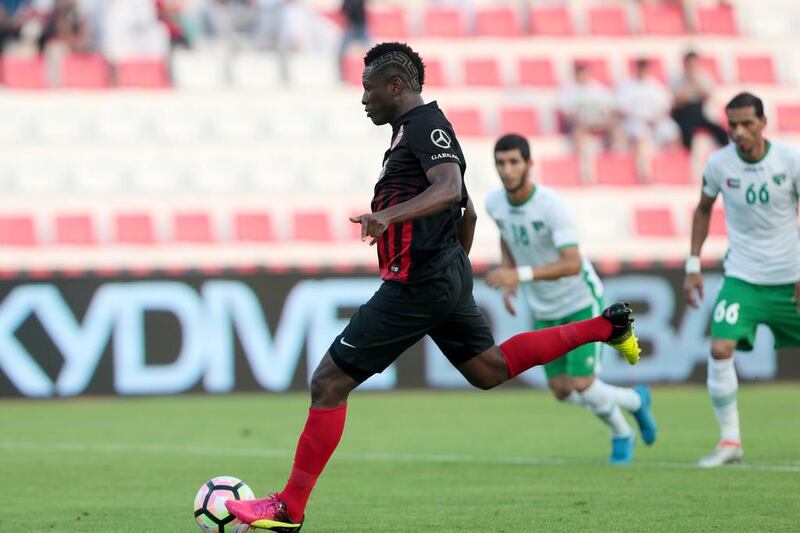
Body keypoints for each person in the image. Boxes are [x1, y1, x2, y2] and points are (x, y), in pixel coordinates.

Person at [225, 41, 642, 531]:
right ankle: (605, 326)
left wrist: (389, 217)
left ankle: (289, 508)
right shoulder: (412, 132)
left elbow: (448, 190)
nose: (363, 99)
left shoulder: (426, 126)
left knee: (328, 382)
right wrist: (454, 271)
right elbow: (466, 209)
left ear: (395, 87)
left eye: (369, 88)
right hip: (441, 277)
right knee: (489, 370)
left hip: (419, 283)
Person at [484, 133, 656, 464]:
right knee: (563, 390)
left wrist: (517, 275)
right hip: (543, 306)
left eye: (513, 162)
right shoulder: (495, 203)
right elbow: (507, 236)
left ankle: (623, 429)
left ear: (529, 164)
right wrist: (510, 276)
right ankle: (635, 401)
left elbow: (572, 262)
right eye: (500, 163)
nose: (507, 170)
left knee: (584, 383)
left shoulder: (551, 205)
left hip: (579, 299)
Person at [684, 92, 800, 468]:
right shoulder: (719, 163)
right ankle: (730, 442)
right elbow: (702, 211)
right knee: (720, 349)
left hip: (791, 277)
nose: (738, 131)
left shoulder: (790, 160)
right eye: (732, 124)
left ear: (763, 123)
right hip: (744, 277)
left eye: (747, 123)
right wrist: (693, 265)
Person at [615, 58, 680, 181]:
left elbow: (665, 106)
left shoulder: (656, 86)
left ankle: (673, 173)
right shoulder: (626, 85)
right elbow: (621, 108)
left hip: (656, 121)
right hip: (635, 121)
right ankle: (644, 174)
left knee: (673, 134)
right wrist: (642, 118)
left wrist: (655, 119)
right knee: (640, 137)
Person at [557, 61, 619, 183]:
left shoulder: (599, 89)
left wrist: (604, 122)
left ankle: (614, 167)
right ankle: (586, 173)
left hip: (598, 122)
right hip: (580, 124)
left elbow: (611, 110)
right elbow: (567, 115)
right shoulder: (568, 91)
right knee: (579, 133)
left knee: (617, 130)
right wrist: (583, 122)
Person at [671, 51, 728, 150]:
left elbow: (708, 95)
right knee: (687, 130)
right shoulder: (677, 78)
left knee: (720, 132)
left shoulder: (703, 77)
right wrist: (689, 85)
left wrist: (696, 82)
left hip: (699, 112)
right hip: (683, 113)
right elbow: (676, 101)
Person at [337, 0, 368, 82]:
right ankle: (341, 75)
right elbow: (342, 11)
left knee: (372, 51)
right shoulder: (347, 1)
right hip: (351, 27)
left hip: (361, 26)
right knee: (341, 53)